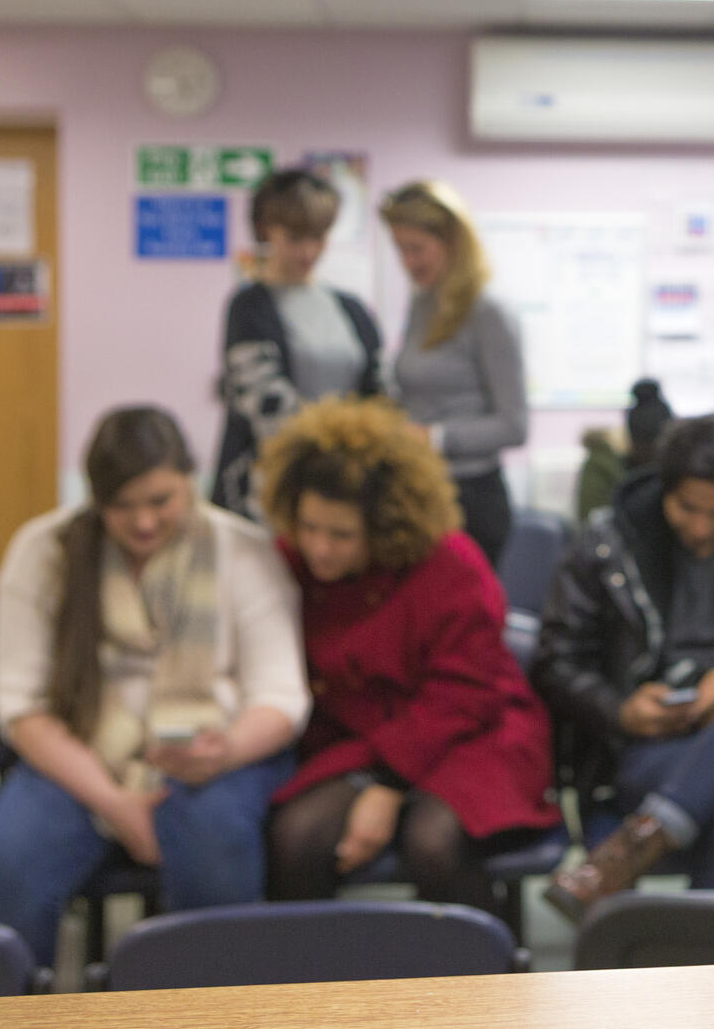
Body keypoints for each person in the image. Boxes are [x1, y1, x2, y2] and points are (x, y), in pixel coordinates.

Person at [0, 406, 308, 967]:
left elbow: (281, 694)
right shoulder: (44, 551)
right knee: (9, 861)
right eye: (122, 507)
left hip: (214, 753)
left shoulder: (242, 550)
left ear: (190, 481)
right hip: (81, 751)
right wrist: (112, 801)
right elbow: (20, 704)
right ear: (96, 500)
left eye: (161, 501)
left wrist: (224, 753)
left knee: (214, 846)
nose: (144, 523)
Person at [256, 397, 560, 912]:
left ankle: (484, 983)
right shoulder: (289, 561)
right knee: (295, 838)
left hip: (473, 733)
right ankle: (318, 990)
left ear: (386, 525)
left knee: (433, 844)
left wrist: (387, 786)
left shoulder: (450, 564)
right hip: (361, 740)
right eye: (309, 528)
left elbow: (466, 694)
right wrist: (374, 779)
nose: (320, 549)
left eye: (341, 535)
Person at [534, 414, 714, 919]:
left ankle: (642, 840)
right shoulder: (606, 541)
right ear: (664, 490)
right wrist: (622, 711)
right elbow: (555, 661)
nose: (701, 528)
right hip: (640, 747)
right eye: (687, 508)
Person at [213, 168, 384, 517]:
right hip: (269, 493)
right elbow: (269, 409)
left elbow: (380, 394)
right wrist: (348, 442)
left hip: (348, 491)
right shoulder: (248, 307)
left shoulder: (351, 308)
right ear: (266, 229)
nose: (308, 251)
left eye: (319, 237)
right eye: (294, 237)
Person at [378, 179, 527, 566]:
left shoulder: (487, 313)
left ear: (453, 243)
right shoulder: (422, 305)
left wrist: (434, 439)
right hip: (421, 487)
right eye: (400, 250)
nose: (409, 262)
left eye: (418, 249)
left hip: (471, 496)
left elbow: (514, 425)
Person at [574, 377, 673, 522]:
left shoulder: (679, 468)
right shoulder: (603, 465)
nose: (651, 455)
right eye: (645, 447)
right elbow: (592, 522)